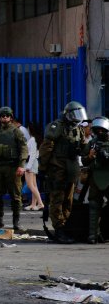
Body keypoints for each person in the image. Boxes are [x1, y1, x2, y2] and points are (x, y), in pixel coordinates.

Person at [39, 101, 88, 244]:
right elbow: (46, 148)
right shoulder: (57, 127)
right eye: (74, 114)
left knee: (68, 200)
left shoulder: (78, 129)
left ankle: (65, 225)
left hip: (71, 169)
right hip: (57, 169)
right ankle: (59, 229)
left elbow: (83, 147)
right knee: (57, 199)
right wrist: (43, 168)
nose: (77, 118)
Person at [0, 106, 28, 233]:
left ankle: (16, 222)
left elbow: (23, 148)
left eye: (7, 115)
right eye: (2, 115)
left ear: (11, 117)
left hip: (13, 167)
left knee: (16, 196)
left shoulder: (16, 132)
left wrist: (21, 165)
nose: (5, 117)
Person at [84, 116, 109, 244]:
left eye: (102, 130)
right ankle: (93, 235)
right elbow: (84, 160)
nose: (100, 133)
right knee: (94, 205)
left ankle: (102, 233)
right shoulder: (92, 143)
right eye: (97, 130)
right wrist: (90, 156)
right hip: (96, 177)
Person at [22, 120, 44, 211]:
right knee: (34, 185)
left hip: (31, 163)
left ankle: (40, 203)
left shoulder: (32, 140)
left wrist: (28, 167)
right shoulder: (36, 139)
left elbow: (32, 154)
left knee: (30, 185)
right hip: (34, 163)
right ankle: (33, 204)